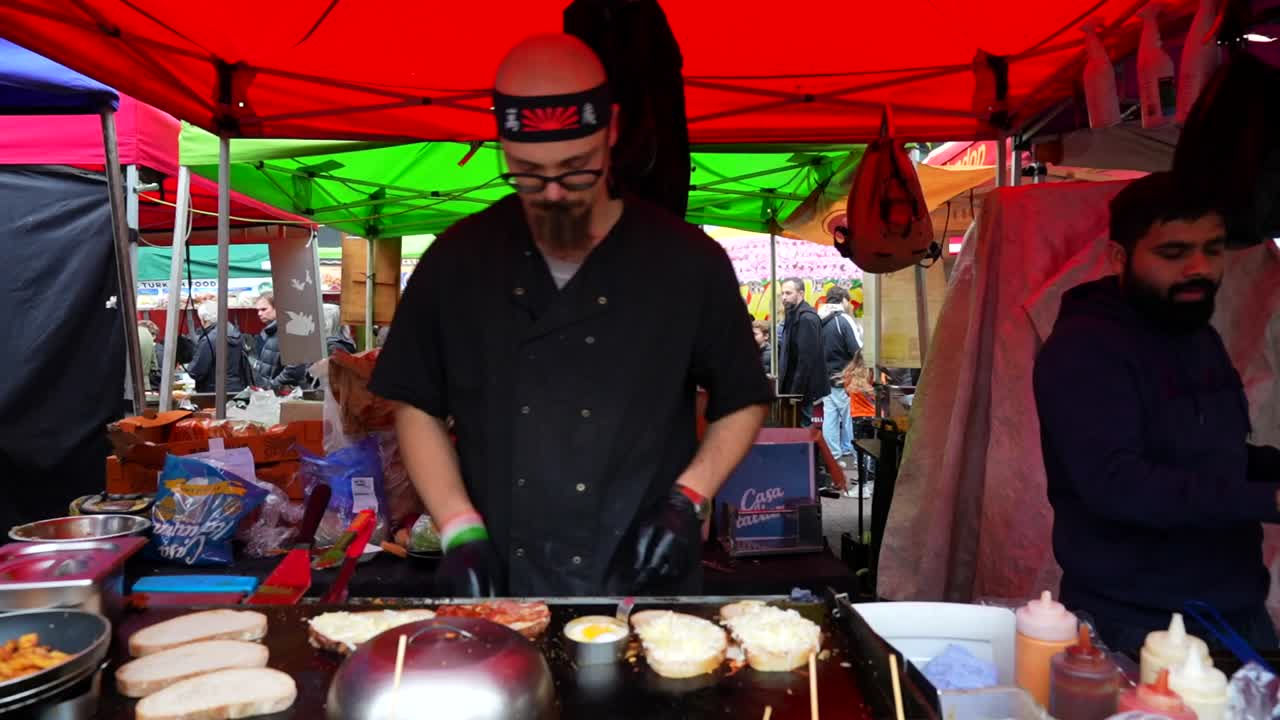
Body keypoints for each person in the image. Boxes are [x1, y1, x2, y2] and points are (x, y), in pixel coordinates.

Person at [370, 33, 771, 598]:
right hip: (505, 576)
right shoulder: (457, 261)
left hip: (645, 575)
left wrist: (689, 499)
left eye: (575, 169)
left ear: (610, 130)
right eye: (529, 174)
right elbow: (414, 401)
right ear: (503, 149)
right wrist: (459, 525)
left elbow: (742, 396)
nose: (554, 194)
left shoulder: (686, 261)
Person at [1034, 172, 1280, 655]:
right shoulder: (1085, 350)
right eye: (1174, 253)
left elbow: (1212, 454)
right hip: (1135, 624)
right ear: (1121, 258)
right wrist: (1267, 501)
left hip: (1233, 609)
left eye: (1213, 249)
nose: (1199, 268)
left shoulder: (1196, 335)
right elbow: (1117, 484)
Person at [818, 286, 861, 467]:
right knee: (851, 418)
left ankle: (833, 457)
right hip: (845, 377)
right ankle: (857, 457)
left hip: (825, 377)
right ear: (843, 299)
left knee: (830, 418)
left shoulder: (819, 319)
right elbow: (857, 349)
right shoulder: (843, 319)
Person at [777, 278, 826, 426]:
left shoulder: (806, 318)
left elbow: (806, 359)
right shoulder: (794, 315)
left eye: (788, 293)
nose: (784, 297)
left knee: (803, 428)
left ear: (801, 294)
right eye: (782, 293)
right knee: (795, 427)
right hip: (793, 387)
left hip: (802, 389)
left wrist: (796, 392)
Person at [187, 301, 250, 394]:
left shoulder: (209, 339)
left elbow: (196, 372)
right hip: (237, 388)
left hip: (214, 392)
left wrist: (190, 367)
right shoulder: (235, 333)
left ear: (204, 320)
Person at [253, 291, 307, 391]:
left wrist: (273, 385)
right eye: (258, 310)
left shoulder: (291, 330)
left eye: (264, 309)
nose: (259, 313)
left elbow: (296, 367)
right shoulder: (269, 332)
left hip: (282, 395)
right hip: (269, 394)